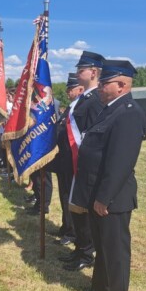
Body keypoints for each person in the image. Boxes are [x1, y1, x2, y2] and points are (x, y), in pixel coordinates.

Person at [74, 60, 146, 291]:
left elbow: (120, 162)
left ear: (121, 85)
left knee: (115, 252)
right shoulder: (110, 109)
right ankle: (99, 290)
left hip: (112, 198)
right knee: (103, 248)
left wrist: (104, 198)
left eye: (105, 83)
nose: (100, 87)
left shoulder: (129, 113)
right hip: (98, 192)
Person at [60, 51, 105, 272]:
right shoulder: (82, 99)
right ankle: (79, 249)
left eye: (81, 69)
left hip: (84, 163)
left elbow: (95, 133)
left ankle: (86, 253)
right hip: (73, 162)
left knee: (82, 210)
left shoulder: (96, 99)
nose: (78, 73)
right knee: (75, 208)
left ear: (94, 72)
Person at [52, 73, 84, 245]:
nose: (67, 92)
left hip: (72, 161)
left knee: (69, 197)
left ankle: (72, 233)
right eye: (67, 89)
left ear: (80, 89)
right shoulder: (70, 108)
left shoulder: (79, 108)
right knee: (64, 195)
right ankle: (66, 227)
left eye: (70, 89)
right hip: (64, 161)